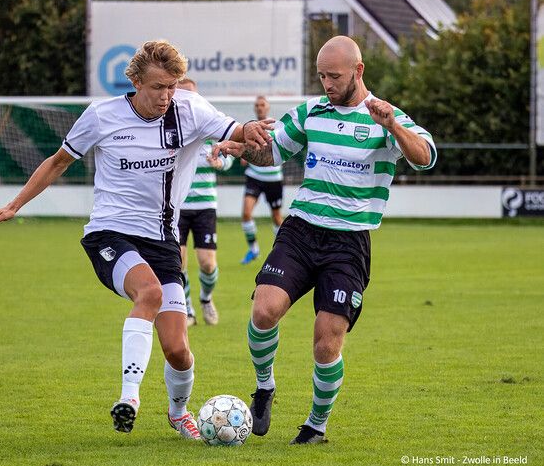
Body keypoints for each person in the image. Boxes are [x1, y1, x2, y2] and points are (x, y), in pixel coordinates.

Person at [0, 40, 268, 438]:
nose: (166, 96)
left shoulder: (190, 109)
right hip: (109, 232)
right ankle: (128, 398)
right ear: (135, 82)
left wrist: (247, 130)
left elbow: (236, 130)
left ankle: (177, 411)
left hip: (163, 239)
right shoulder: (102, 115)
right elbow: (58, 161)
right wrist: (14, 205)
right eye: (157, 88)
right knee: (147, 293)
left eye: (172, 86)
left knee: (178, 351)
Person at [214, 36, 437, 444]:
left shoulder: (386, 116)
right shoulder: (310, 113)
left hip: (349, 243)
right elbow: (271, 154)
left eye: (334, 76)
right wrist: (239, 149)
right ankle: (264, 386)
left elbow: (424, 157)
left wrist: (393, 127)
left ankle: (315, 425)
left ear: (359, 70)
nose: (327, 84)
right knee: (264, 311)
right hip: (301, 230)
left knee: (326, 340)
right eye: (321, 75)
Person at [176, 78, 234, 327]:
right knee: (177, 263)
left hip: (205, 208)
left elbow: (228, 156)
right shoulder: (171, 132)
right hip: (177, 207)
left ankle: (205, 298)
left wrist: (221, 163)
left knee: (208, 264)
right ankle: (187, 311)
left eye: (193, 96)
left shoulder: (209, 130)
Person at [240, 95, 284, 265]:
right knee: (246, 213)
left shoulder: (276, 127)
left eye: (262, 105)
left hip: (273, 179)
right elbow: (245, 154)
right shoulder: (248, 128)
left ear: (267, 107)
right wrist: (245, 154)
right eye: (257, 105)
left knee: (276, 217)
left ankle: (280, 251)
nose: (259, 107)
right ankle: (253, 249)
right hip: (254, 177)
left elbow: (282, 150)